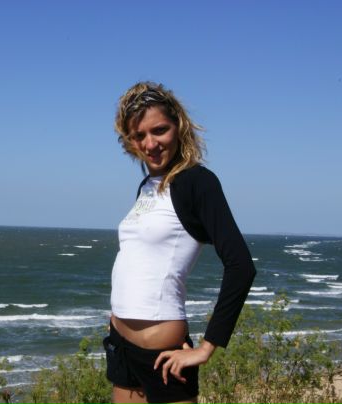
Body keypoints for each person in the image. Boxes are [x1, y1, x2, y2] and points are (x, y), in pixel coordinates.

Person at [105, 82, 256, 404]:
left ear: (179, 126)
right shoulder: (147, 185)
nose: (150, 143)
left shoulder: (197, 182)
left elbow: (241, 266)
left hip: (163, 356)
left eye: (159, 130)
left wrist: (207, 347)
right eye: (139, 135)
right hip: (121, 345)